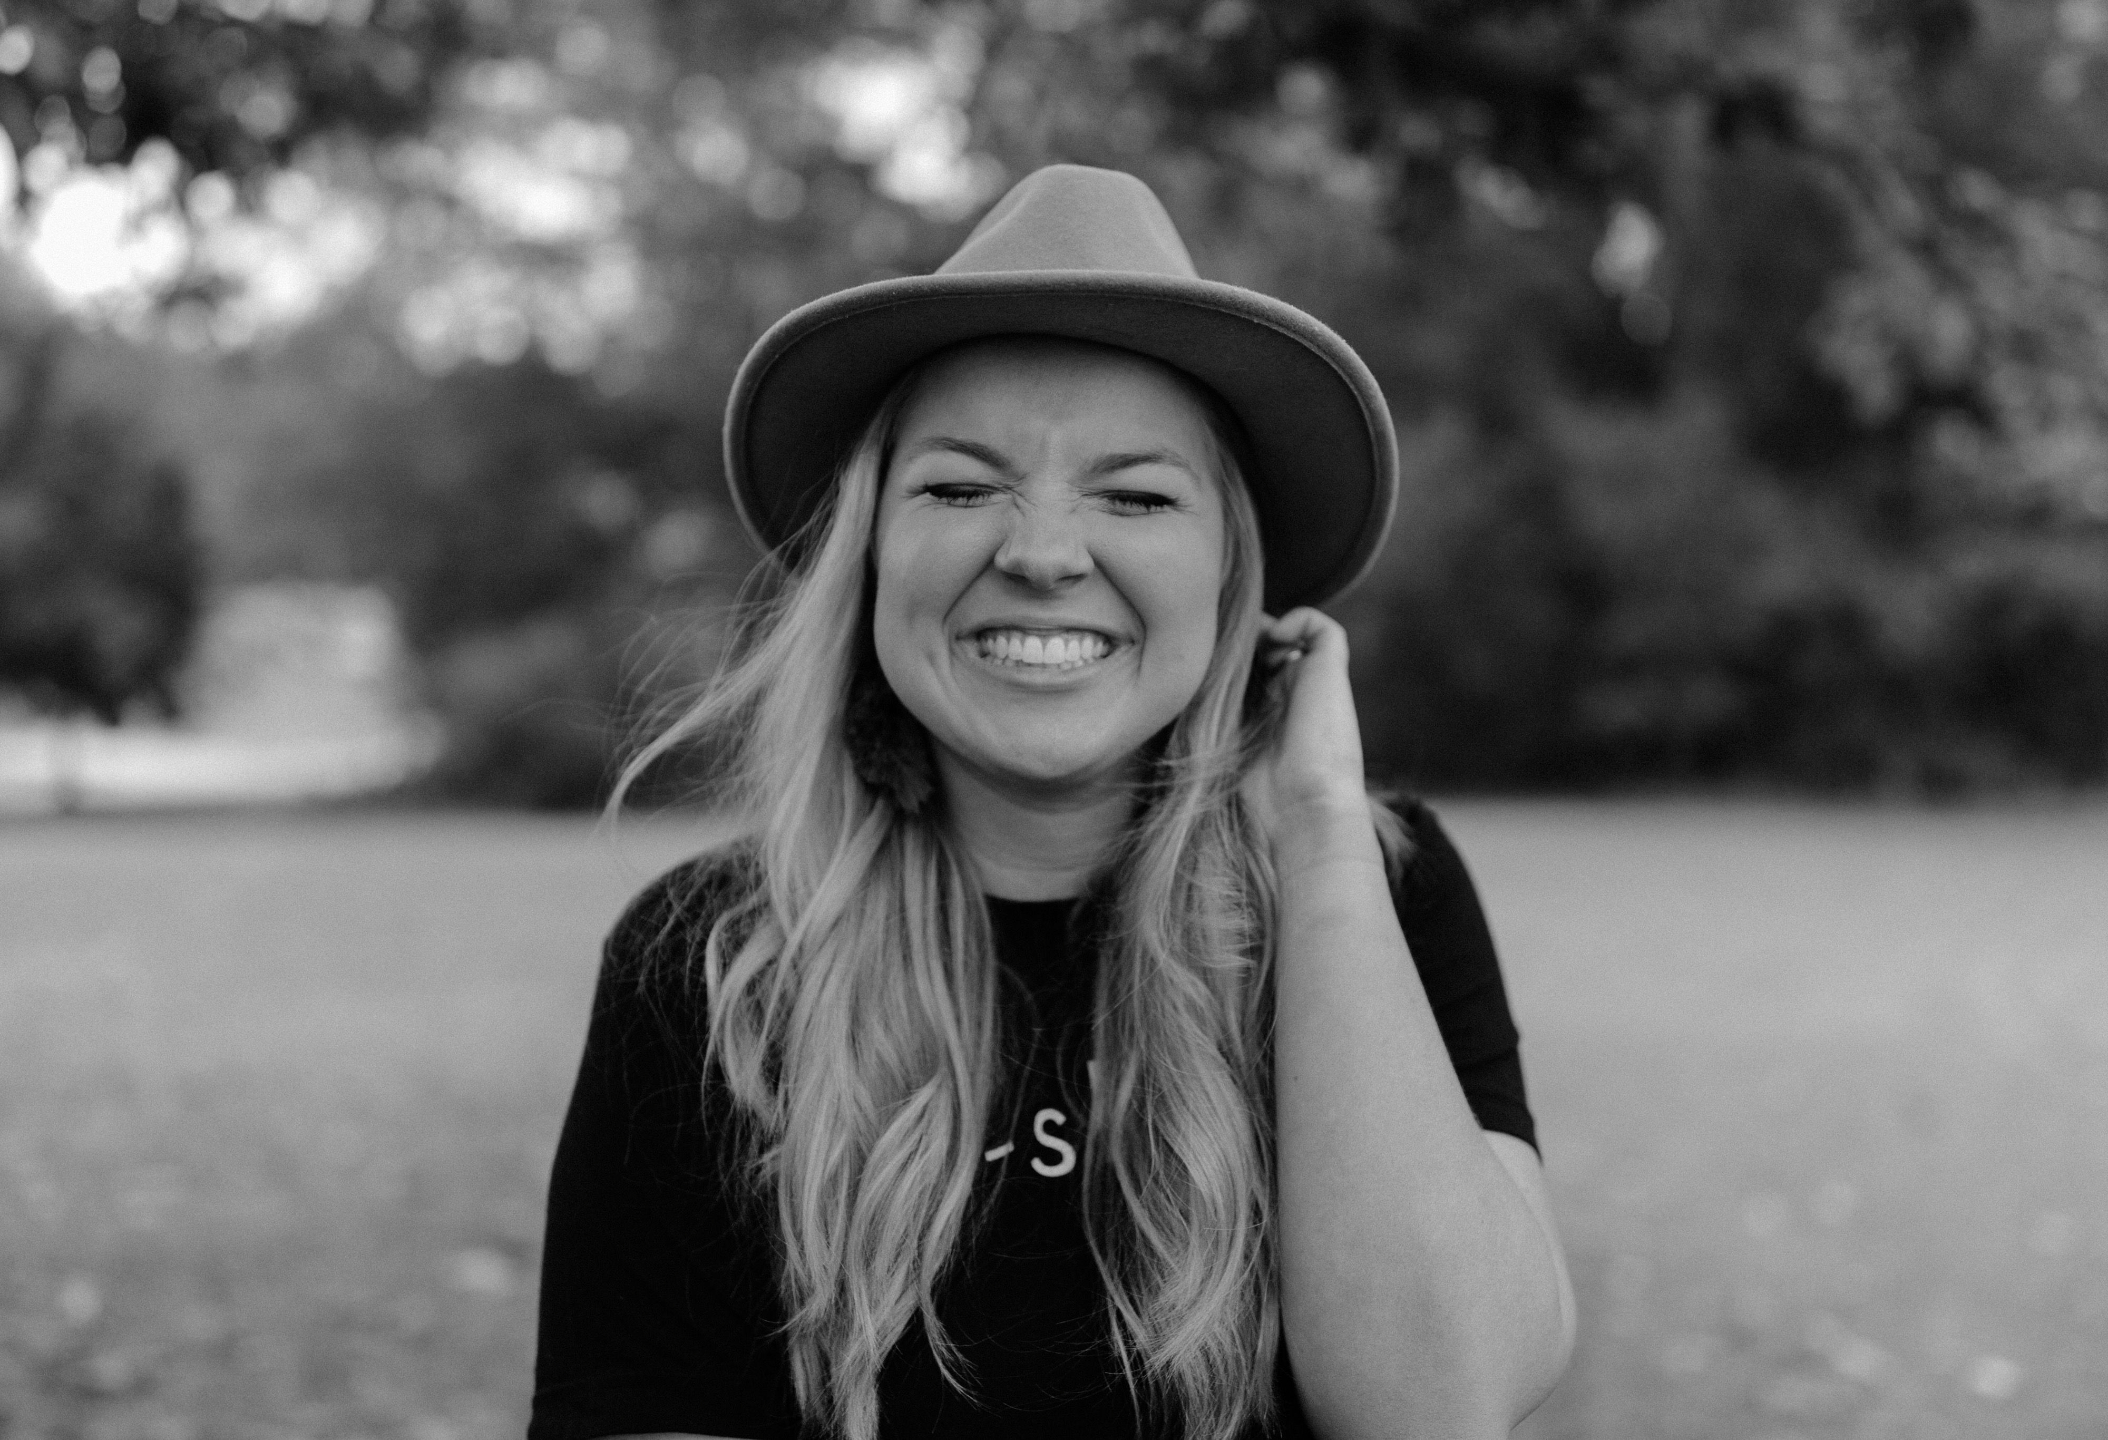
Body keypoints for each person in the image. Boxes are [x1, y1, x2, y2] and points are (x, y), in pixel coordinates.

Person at [529, 165, 1575, 1440]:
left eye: (1134, 495)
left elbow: (1437, 1406)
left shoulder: (1380, 889)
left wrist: (1319, 840)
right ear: (867, 553)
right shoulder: (710, 960)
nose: (1038, 554)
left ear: (1230, 577)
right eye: (959, 487)